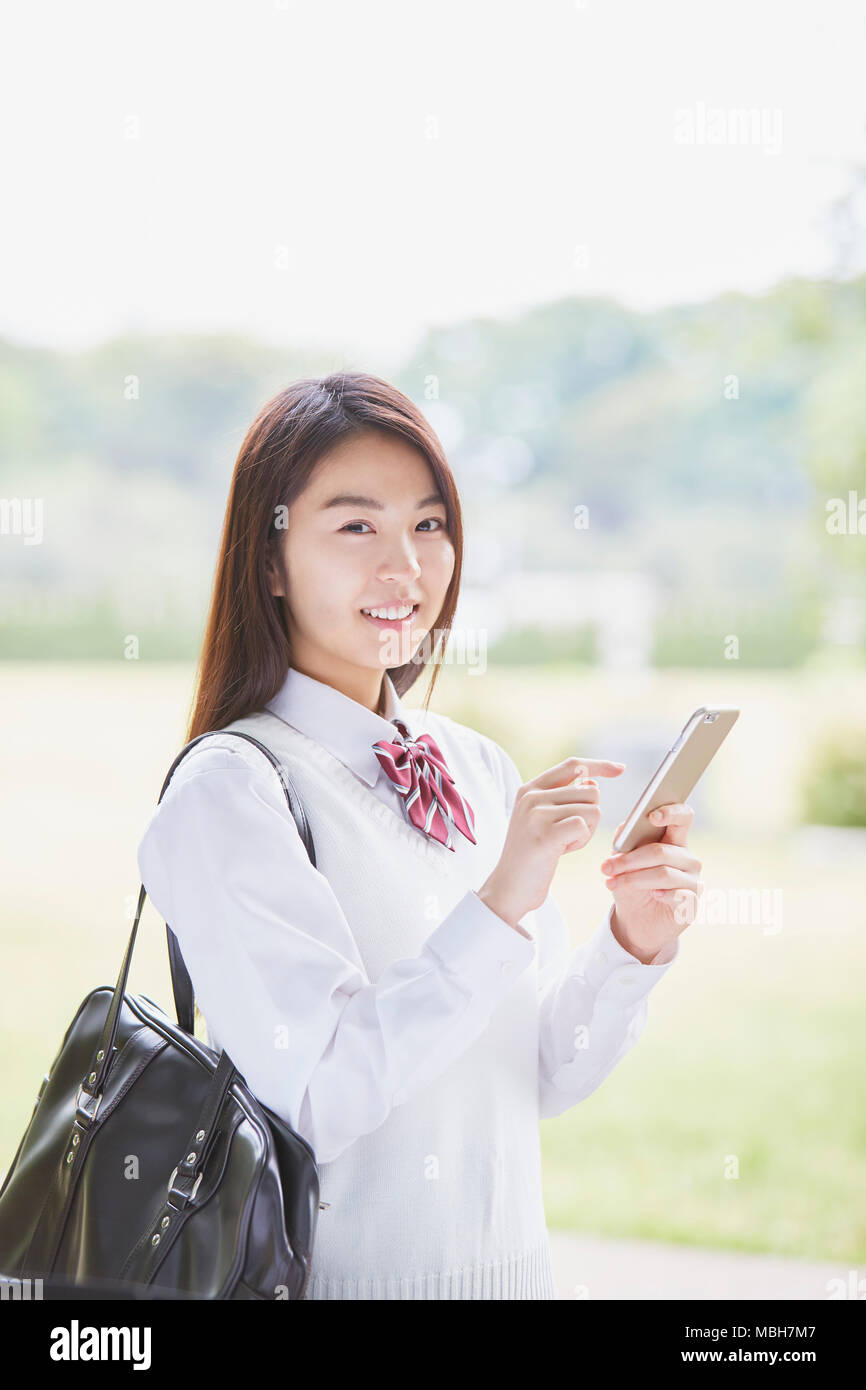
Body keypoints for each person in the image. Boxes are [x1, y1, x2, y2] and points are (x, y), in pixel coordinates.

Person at [137, 371, 702, 1300]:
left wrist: (635, 942)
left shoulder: (474, 765)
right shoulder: (231, 792)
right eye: (356, 526)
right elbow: (321, 1097)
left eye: (428, 525)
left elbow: (535, 1076)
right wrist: (502, 899)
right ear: (270, 560)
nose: (405, 568)